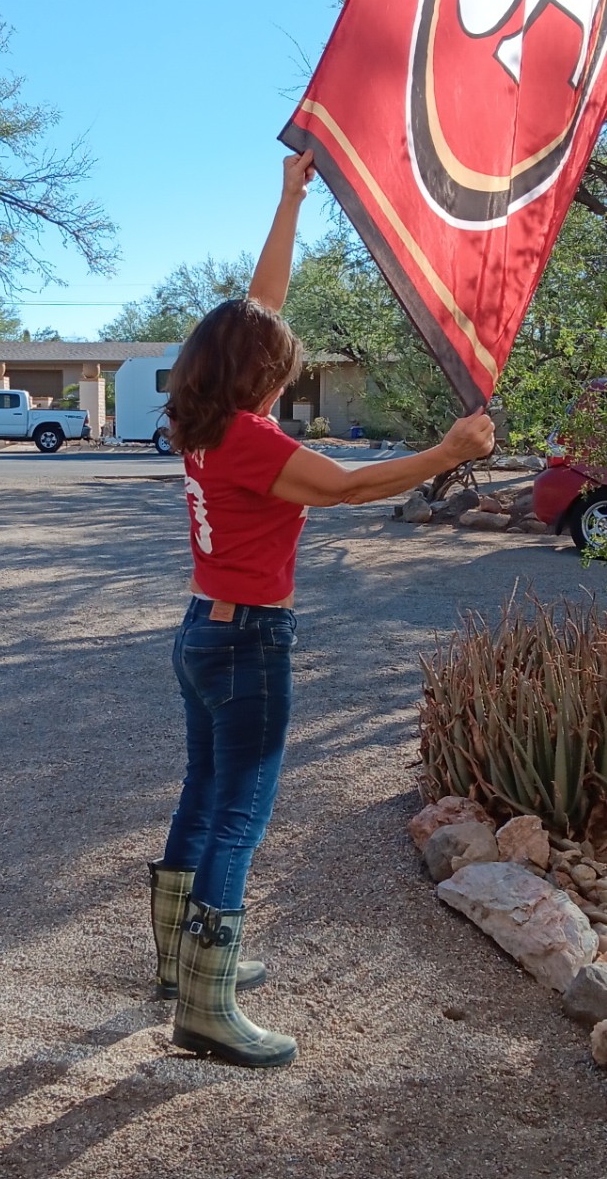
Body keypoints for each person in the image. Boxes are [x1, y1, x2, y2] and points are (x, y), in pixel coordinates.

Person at [148, 150, 495, 1070]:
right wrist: (446, 448)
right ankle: (205, 1006)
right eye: (283, 364)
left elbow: (256, 314)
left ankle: (181, 965)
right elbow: (347, 489)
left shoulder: (205, 417)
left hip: (200, 631)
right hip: (249, 643)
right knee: (239, 815)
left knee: (200, 795)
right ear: (261, 374)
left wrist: (289, 200)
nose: (289, 369)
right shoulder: (255, 441)